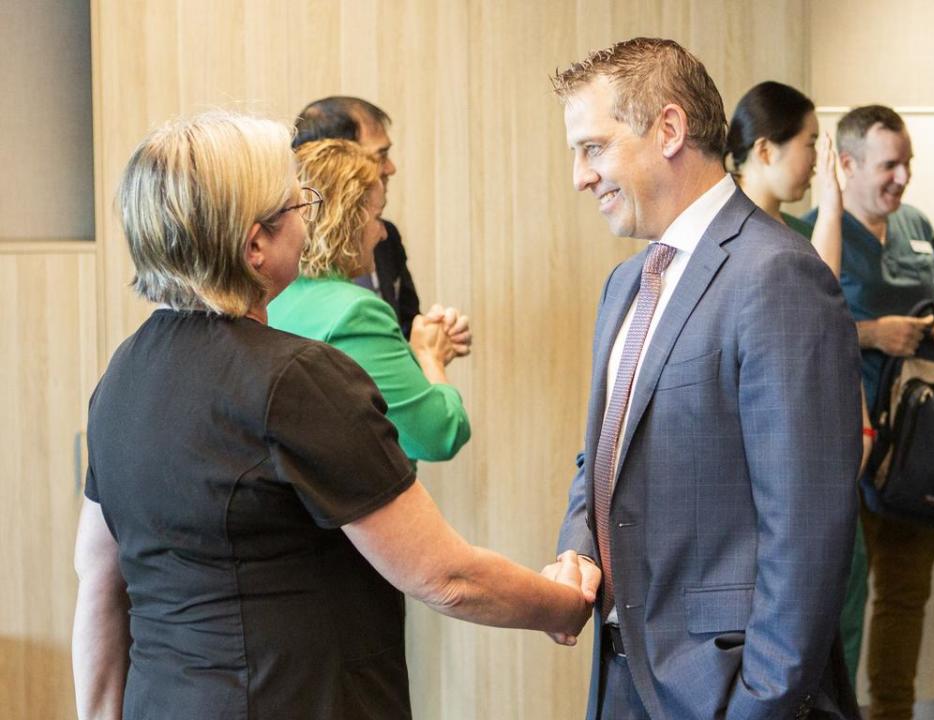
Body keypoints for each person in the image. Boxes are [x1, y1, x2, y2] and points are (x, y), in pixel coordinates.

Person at [72, 111, 592, 720]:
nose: (308, 216)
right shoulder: (298, 379)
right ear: (256, 243)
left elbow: (97, 582)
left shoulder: (122, 376)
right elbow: (444, 576)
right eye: (299, 204)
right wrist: (564, 604)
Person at [545, 37, 863, 719]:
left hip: (728, 692)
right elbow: (600, 459)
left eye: (593, 147)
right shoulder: (625, 284)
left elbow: (806, 523)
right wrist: (579, 550)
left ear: (668, 129)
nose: (579, 175)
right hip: (624, 679)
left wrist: (760, 703)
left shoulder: (778, 275)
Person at [806, 105, 934, 720]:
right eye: (889, 164)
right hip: (848, 448)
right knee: (836, 602)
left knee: (904, 598)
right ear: (846, 166)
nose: (902, 178)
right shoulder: (818, 232)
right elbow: (798, 331)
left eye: (908, 163)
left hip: (921, 452)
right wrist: (869, 334)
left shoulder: (917, 225)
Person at [726, 80, 872, 688]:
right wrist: (835, 208)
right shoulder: (740, 244)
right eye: (810, 143)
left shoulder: (788, 236)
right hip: (769, 495)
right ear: (766, 149)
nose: (817, 160)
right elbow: (818, 292)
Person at [270, 139, 470, 463]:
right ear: (347, 220)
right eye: (378, 216)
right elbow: (439, 436)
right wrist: (430, 356)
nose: (383, 234)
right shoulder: (355, 313)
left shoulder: (269, 297)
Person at [293, 96, 469, 348]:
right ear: (337, 161)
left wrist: (434, 339)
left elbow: (405, 330)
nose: (391, 168)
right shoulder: (283, 254)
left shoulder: (385, 237)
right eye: (380, 155)